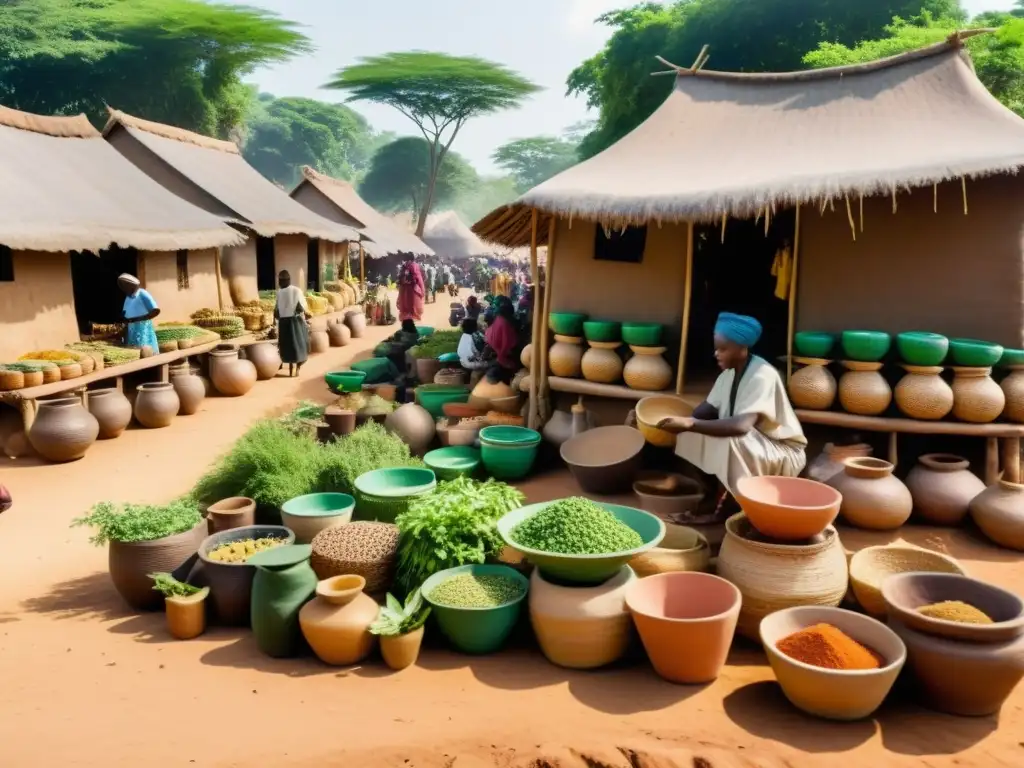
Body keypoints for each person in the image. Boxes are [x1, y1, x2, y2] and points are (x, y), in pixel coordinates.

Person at [654, 312, 807, 517]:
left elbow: (741, 426)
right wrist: (660, 420)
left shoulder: (763, 375)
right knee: (690, 434)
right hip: (753, 445)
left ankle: (736, 506)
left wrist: (689, 423)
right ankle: (711, 496)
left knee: (731, 438)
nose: (717, 354)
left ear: (742, 348)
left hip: (782, 451)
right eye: (716, 348)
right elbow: (703, 412)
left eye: (723, 349)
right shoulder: (727, 375)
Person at [274, 270, 311, 377]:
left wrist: (281, 316)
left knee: (287, 346)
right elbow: (301, 307)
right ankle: (298, 367)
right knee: (301, 344)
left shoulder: (279, 292)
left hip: (284, 323)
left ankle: (291, 367)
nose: (280, 283)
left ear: (282, 281)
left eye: (280, 281)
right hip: (296, 323)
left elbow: (276, 311)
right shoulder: (296, 291)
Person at [119, 274, 160, 355]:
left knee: (145, 348)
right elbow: (124, 312)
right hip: (131, 327)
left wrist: (142, 318)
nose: (125, 288)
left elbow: (155, 310)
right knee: (134, 350)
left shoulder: (142, 293)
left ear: (132, 285)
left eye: (127, 285)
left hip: (142, 326)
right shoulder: (128, 297)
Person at [484, 298, 519, 382]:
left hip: (498, 354)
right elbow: (506, 342)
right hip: (502, 355)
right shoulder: (504, 322)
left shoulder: (499, 321)